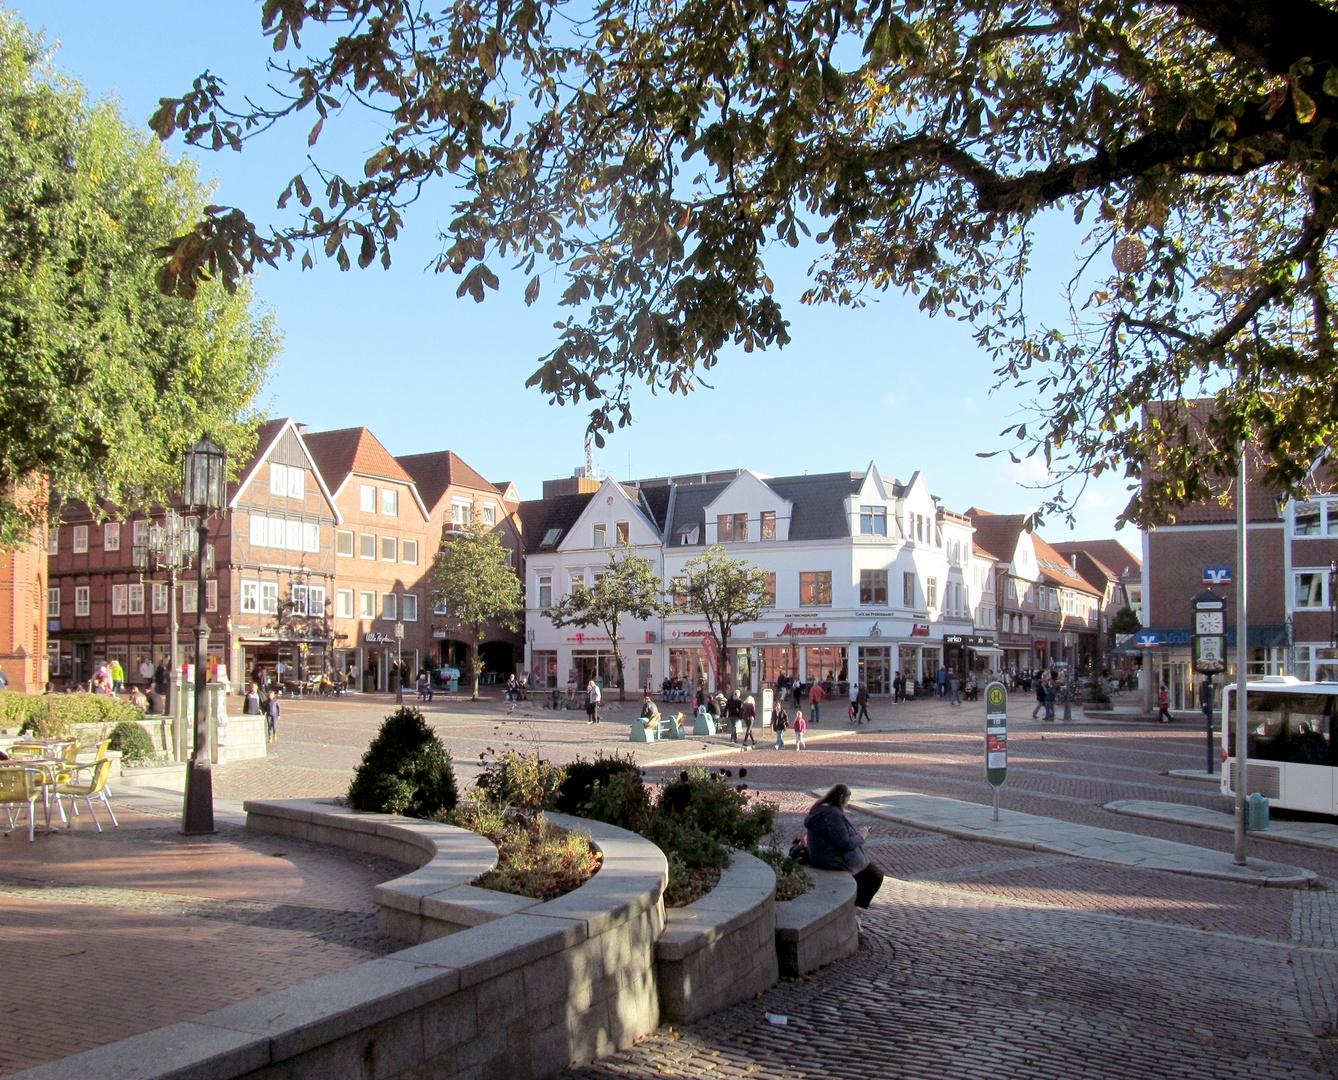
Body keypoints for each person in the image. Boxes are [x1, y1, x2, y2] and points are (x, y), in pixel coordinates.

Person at [804, 784, 884, 912]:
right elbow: (843, 843)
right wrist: (861, 836)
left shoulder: (819, 809)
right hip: (832, 859)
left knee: (869, 874)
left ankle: (856, 909)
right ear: (842, 798)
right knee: (874, 875)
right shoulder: (833, 815)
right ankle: (856, 911)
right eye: (847, 801)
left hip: (821, 855)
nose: (847, 805)